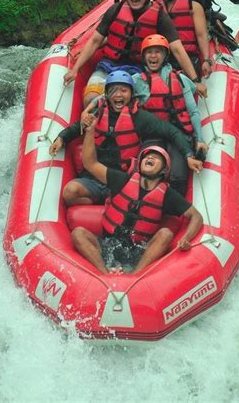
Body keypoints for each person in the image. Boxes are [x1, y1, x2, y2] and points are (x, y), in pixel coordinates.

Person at [49, 70, 203, 206]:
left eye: (124, 90)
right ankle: (100, 200)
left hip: (122, 180)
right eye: (113, 91)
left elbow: (171, 132)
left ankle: (112, 200)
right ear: (107, 95)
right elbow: (77, 127)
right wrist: (61, 138)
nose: (118, 95)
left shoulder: (140, 117)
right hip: (93, 176)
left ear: (131, 94)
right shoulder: (98, 112)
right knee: (69, 193)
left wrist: (188, 155)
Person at [71, 117, 204, 274]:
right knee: (78, 233)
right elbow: (90, 164)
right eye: (146, 156)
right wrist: (90, 131)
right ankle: (105, 275)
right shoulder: (122, 180)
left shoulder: (168, 195)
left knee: (166, 234)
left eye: (155, 158)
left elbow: (196, 216)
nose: (149, 158)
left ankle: (135, 276)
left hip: (138, 252)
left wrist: (186, 237)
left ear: (164, 170)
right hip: (108, 245)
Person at [63, 0, 206, 106]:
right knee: (91, 99)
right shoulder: (115, 9)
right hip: (108, 65)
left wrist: (195, 80)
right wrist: (75, 69)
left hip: (139, 70)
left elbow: (177, 48)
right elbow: (95, 41)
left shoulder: (159, 16)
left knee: (129, 105)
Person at [132, 34, 208, 194]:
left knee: (178, 177)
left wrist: (200, 139)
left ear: (165, 55)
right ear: (144, 57)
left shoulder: (180, 79)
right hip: (153, 136)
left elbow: (193, 112)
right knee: (147, 172)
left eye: (158, 51)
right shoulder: (137, 81)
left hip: (179, 135)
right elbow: (114, 93)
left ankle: (174, 211)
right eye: (149, 52)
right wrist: (92, 105)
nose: (153, 56)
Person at [155, 0, 212, 77]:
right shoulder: (153, 5)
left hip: (188, 57)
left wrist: (206, 60)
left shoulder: (194, 5)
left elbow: (201, 35)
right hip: (159, 58)